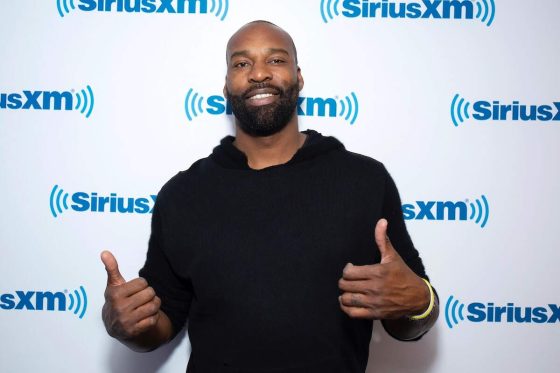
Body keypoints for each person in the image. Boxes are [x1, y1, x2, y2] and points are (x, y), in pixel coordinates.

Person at [101, 20, 439, 372]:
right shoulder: (183, 194)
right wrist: (128, 326)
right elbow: (159, 324)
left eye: (276, 60)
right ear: (226, 86)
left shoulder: (364, 180)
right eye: (241, 63)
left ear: (299, 76)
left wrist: (419, 303)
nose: (258, 74)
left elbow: (412, 314)